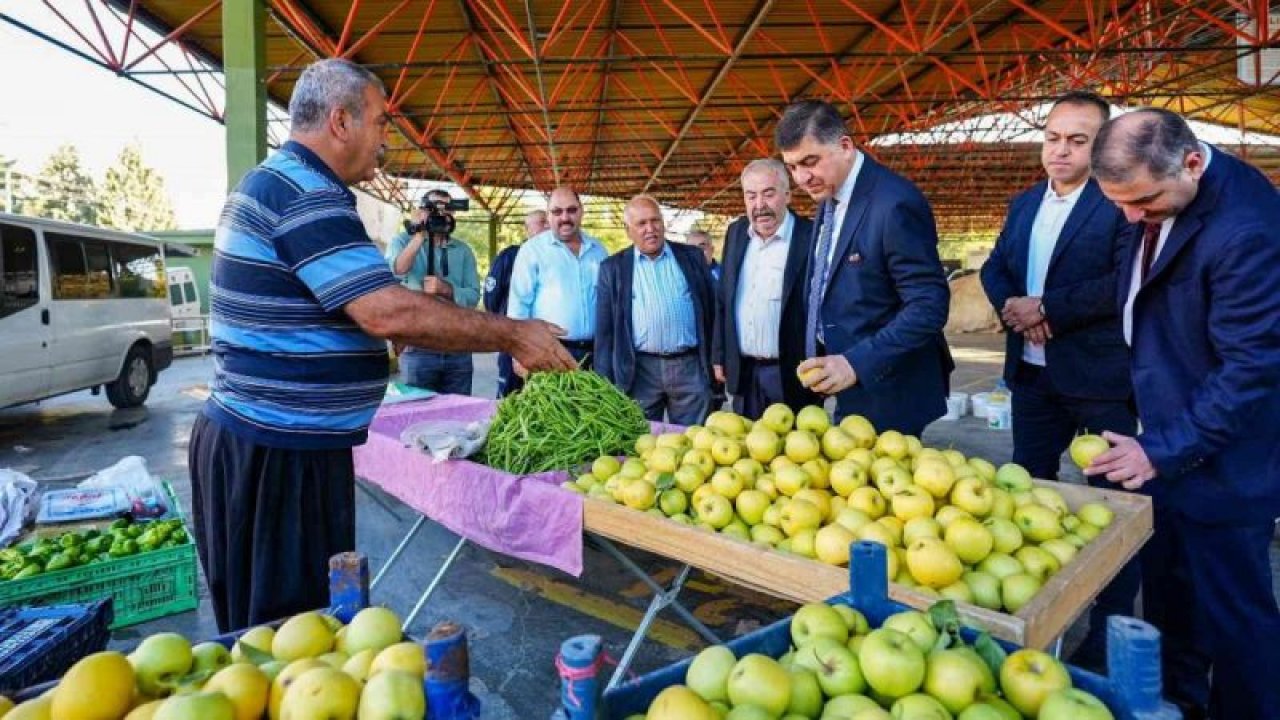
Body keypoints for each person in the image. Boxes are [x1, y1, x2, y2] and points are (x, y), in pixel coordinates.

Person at [189, 58, 573, 632]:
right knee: (288, 642)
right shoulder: (305, 193)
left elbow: (357, 304)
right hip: (276, 457)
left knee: (288, 639)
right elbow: (385, 309)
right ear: (340, 121)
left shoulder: (286, 183)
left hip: (276, 444)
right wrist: (514, 332)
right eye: (380, 122)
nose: (386, 140)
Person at [1085, 108, 1280, 720]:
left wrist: (1162, 449)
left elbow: (1250, 369)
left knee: (1237, 621)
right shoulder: (1150, 202)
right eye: (1118, 204)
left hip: (1221, 461)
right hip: (1163, 444)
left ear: (1192, 163)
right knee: (1171, 606)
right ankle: (1179, 706)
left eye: (1143, 201)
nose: (1130, 217)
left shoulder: (1247, 228)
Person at [978, 91, 1137, 670]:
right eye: (1052, 138)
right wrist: (1015, 307)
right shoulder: (1025, 203)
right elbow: (995, 266)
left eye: (1077, 140)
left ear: (1102, 146)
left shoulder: (1117, 202)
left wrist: (1048, 309)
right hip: (1033, 378)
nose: (1060, 150)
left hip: (1098, 379)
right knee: (1027, 493)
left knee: (1115, 510)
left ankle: (1109, 633)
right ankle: (1035, 615)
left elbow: (1123, 280)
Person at [775, 99, 952, 435]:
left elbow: (929, 305)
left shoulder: (894, 203)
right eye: (792, 167)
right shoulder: (830, 199)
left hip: (889, 388)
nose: (801, 178)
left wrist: (855, 363)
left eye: (810, 161)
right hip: (847, 381)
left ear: (845, 146)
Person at [595, 195, 714, 424]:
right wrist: (604, 383)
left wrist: (715, 362)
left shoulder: (692, 257)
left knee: (694, 438)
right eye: (641, 223)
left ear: (663, 222)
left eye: (655, 220)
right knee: (641, 438)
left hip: (689, 367)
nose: (650, 229)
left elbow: (712, 311)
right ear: (628, 230)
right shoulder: (613, 268)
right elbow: (605, 332)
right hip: (639, 371)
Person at [712, 158, 812, 419]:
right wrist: (720, 355)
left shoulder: (810, 237)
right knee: (745, 441)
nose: (759, 205)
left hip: (792, 372)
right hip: (745, 373)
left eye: (769, 194)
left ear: (787, 195)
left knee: (798, 441)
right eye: (751, 196)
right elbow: (723, 300)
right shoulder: (736, 233)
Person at [386, 188, 481, 395]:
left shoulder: (463, 251)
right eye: (434, 209)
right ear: (422, 210)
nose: (441, 214)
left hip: (458, 346)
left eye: (447, 209)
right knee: (417, 409)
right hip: (418, 345)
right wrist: (419, 236)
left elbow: (474, 296)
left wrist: (447, 290)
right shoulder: (402, 241)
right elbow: (396, 272)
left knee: (458, 410)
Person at [507, 187, 607, 369]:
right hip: (550, 351)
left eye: (571, 210)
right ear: (548, 216)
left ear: (581, 211)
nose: (565, 217)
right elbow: (518, 305)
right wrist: (518, 354)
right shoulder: (532, 250)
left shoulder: (598, 250)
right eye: (557, 212)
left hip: (596, 352)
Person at [484, 209, 548, 396]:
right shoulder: (510, 256)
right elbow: (491, 297)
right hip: (514, 340)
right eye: (541, 222)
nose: (547, 226)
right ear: (527, 229)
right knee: (509, 397)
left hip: (545, 342)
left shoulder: (557, 258)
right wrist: (504, 326)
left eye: (548, 221)